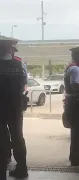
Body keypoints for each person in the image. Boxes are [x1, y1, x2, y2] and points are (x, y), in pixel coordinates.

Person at [0, 36, 27, 180]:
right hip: (16, 108)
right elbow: (23, 84)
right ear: (10, 49)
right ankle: (22, 168)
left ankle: (2, 170)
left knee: (1, 138)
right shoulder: (20, 64)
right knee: (17, 136)